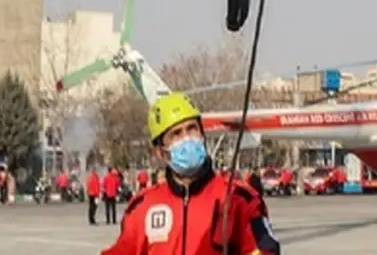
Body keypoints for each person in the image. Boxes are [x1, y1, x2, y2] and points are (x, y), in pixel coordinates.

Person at [101, 92, 279, 255]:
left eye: (192, 128)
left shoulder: (238, 198)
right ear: (160, 152)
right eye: (176, 134)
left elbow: (265, 249)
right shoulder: (142, 207)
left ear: (202, 134)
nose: (187, 138)